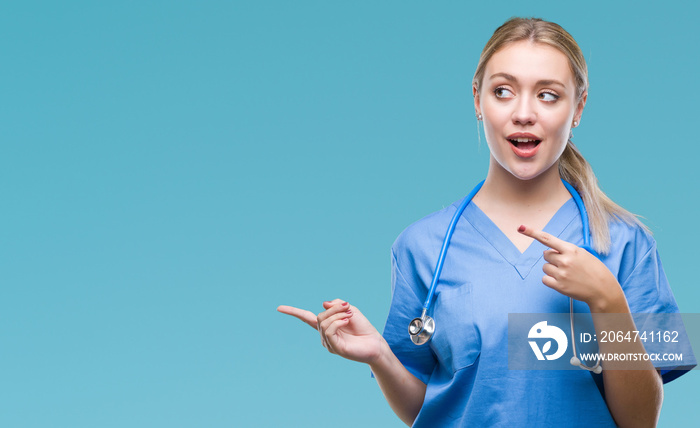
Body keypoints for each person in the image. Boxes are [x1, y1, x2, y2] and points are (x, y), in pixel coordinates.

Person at [278, 17, 695, 427]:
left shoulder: (627, 244)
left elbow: (641, 421)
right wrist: (380, 356)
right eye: (503, 92)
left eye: (548, 95)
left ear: (578, 107)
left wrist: (608, 301)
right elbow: (433, 409)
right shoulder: (422, 247)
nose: (524, 114)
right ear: (477, 100)